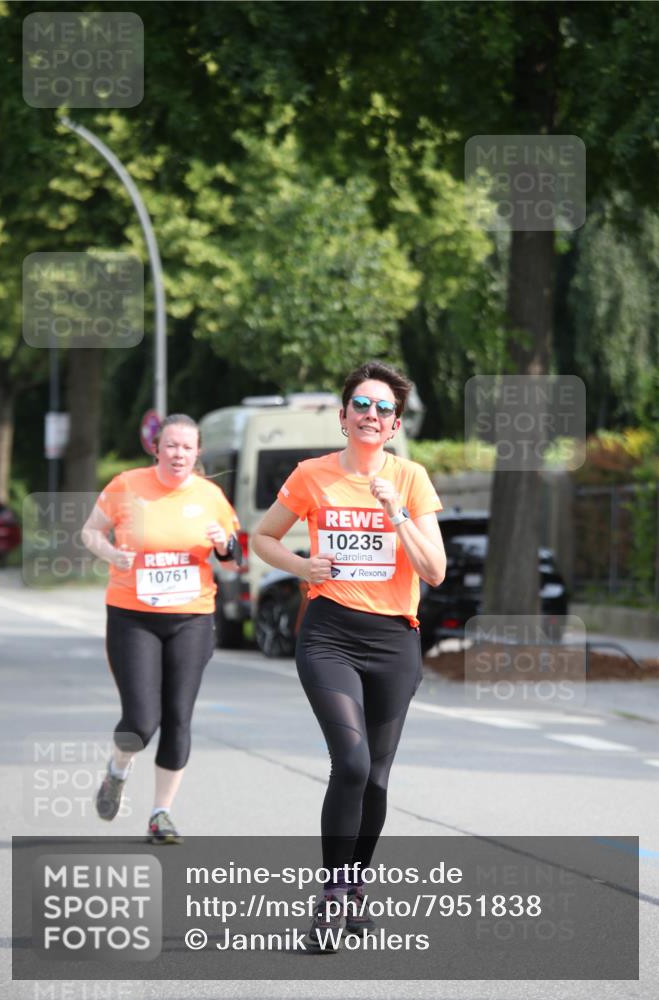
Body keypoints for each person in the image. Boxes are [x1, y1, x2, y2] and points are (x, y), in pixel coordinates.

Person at [251, 361, 446, 945]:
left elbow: (434, 571)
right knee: (353, 764)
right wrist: (301, 565)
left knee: (378, 780)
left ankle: (356, 887)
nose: (371, 415)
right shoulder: (311, 476)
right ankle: (333, 897)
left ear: (394, 424)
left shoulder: (410, 479)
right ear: (343, 417)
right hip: (330, 632)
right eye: (362, 405)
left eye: (383, 408)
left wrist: (399, 514)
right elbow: (262, 538)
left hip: (394, 638)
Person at [82, 414, 239, 844]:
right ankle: (118, 770)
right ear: (157, 448)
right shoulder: (126, 485)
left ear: (197, 453)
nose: (178, 454)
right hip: (133, 616)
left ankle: (160, 814)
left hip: (192, 617)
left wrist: (224, 544)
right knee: (140, 720)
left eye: (187, 448)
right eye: (171, 445)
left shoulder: (211, 496)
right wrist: (112, 553)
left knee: (178, 718)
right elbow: (90, 531)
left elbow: (232, 557)